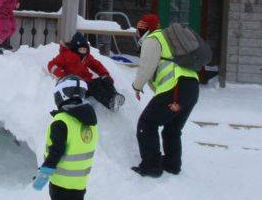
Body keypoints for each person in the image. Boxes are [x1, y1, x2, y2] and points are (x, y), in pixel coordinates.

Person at [33, 75, 99, 200]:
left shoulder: (62, 121)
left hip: (62, 178)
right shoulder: (89, 121)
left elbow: (57, 151)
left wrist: (45, 172)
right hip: (80, 178)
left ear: (61, 95)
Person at [131, 14, 199, 177]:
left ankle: (152, 166)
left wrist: (137, 86)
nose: (137, 34)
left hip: (175, 87)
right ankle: (172, 164)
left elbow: (146, 67)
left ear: (144, 29)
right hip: (192, 86)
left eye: (139, 30)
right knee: (172, 128)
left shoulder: (153, 39)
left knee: (147, 123)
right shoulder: (169, 38)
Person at [47, 31, 124, 110]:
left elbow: (96, 65)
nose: (83, 51)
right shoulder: (65, 55)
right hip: (76, 86)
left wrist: (105, 74)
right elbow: (51, 65)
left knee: (104, 80)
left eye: (85, 49)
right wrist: (63, 74)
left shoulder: (86, 57)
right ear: (75, 48)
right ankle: (109, 102)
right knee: (94, 86)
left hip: (87, 82)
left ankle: (115, 96)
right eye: (81, 49)